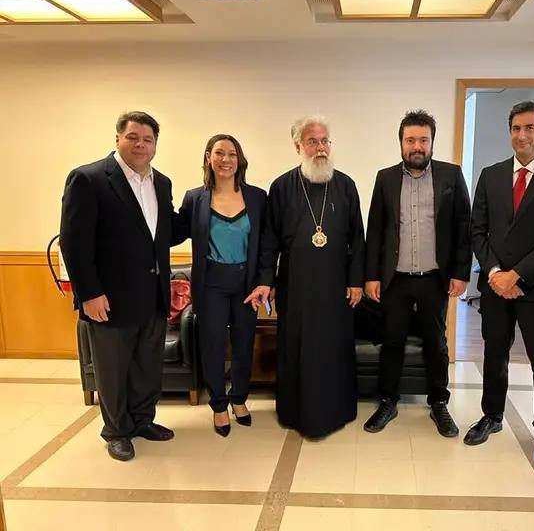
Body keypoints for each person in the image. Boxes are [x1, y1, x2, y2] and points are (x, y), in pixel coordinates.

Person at [466, 100, 534, 468]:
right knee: (493, 355)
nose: (522, 135)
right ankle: (491, 416)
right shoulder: (491, 175)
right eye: (516, 128)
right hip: (495, 287)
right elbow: (477, 230)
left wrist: (516, 276)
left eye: (530, 128)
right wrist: (495, 273)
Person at [60, 111, 177, 461]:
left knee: (146, 366)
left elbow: (165, 232)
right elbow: (74, 242)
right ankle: (117, 431)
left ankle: (142, 421)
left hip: (152, 295)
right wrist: (89, 293)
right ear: (118, 139)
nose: (141, 145)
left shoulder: (162, 183)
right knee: (112, 369)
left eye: (148, 139)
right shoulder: (89, 179)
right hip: (108, 298)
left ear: (155, 145)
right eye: (133, 137)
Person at [245, 115, 365, 438]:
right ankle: (296, 412)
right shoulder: (282, 187)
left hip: (336, 286)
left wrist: (356, 280)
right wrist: (266, 280)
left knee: (333, 347)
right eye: (313, 141)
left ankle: (337, 410)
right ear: (298, 146)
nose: (320, 148)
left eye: (325, 141)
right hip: (295, 285)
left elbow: (358, 238)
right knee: (297, 347)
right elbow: (269, 241)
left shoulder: (346, 185)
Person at [363, 110, 471, 437]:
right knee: (392, 340)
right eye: (410, 140)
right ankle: (388, 401)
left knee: (436, 342)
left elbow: (463, 228)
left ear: (432, 142)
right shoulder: (385, 178)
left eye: (423, 139)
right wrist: (371, 275)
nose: (417, 146)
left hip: (434, 278)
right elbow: (376, 229)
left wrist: (461, 272)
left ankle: (439, 402)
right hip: (395, 279)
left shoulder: (451, 176)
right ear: (401, 143)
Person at [174, 134, 266, 437]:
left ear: (240, 160)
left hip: (247, 285)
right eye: (219, 153)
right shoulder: (194, 198)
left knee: (243, 344)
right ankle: (218, 404)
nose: (226, 159)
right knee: (212, 345)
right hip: (210, 283)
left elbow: (267, 245)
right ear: (208, 158)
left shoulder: (257, 197)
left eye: (232, 154)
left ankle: (239, 399)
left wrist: (266, 280)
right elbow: (173, 232)